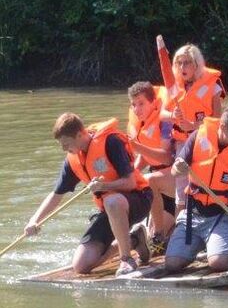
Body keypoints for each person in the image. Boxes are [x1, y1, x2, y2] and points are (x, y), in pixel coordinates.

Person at [23, 113, 152, 276]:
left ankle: (126, 259)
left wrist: (104, 185)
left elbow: (130, 183)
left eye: (66, 144)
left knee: (112, 201)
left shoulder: (111, 142)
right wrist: (34, 221)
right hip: (110, 210)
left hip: (139, 199)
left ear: (79, 135)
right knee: (81, 266)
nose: (64, 149)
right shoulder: (72, 159)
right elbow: (56, 194)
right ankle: (134, 239)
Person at [164, 106, 228, 273]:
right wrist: (178, 168)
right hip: (194, 213)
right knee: (172, 264)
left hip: (223, 214)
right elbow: (174, 171)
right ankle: (203, 243)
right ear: (222, 127)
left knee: (219, 264)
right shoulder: (197, 137)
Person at [161, 44, 225, 216]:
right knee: (181, 183)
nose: (182, 67)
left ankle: (212, 216)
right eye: (179, 63)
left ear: (196, 64)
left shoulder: (213, 84)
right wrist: (172, 115)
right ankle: (179, 227)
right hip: (182, 140)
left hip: (205, 139)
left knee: (205, 181)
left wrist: (194, 126)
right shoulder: (174, 86)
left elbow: (217, 120)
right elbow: (161, 114)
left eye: (187, 63)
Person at [127, 81, 176, 256]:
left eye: (141, 103)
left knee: (149, 180)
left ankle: (160, 234)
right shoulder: (140, 124)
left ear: (153, 102)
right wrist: (131, 172)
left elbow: (166, 156)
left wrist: (137, 147)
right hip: (157, 181)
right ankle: (138, 240)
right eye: (133, 104)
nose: (136, 109)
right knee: (151, 246)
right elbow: (146, 157)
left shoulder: (165, 122)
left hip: (174, 176)